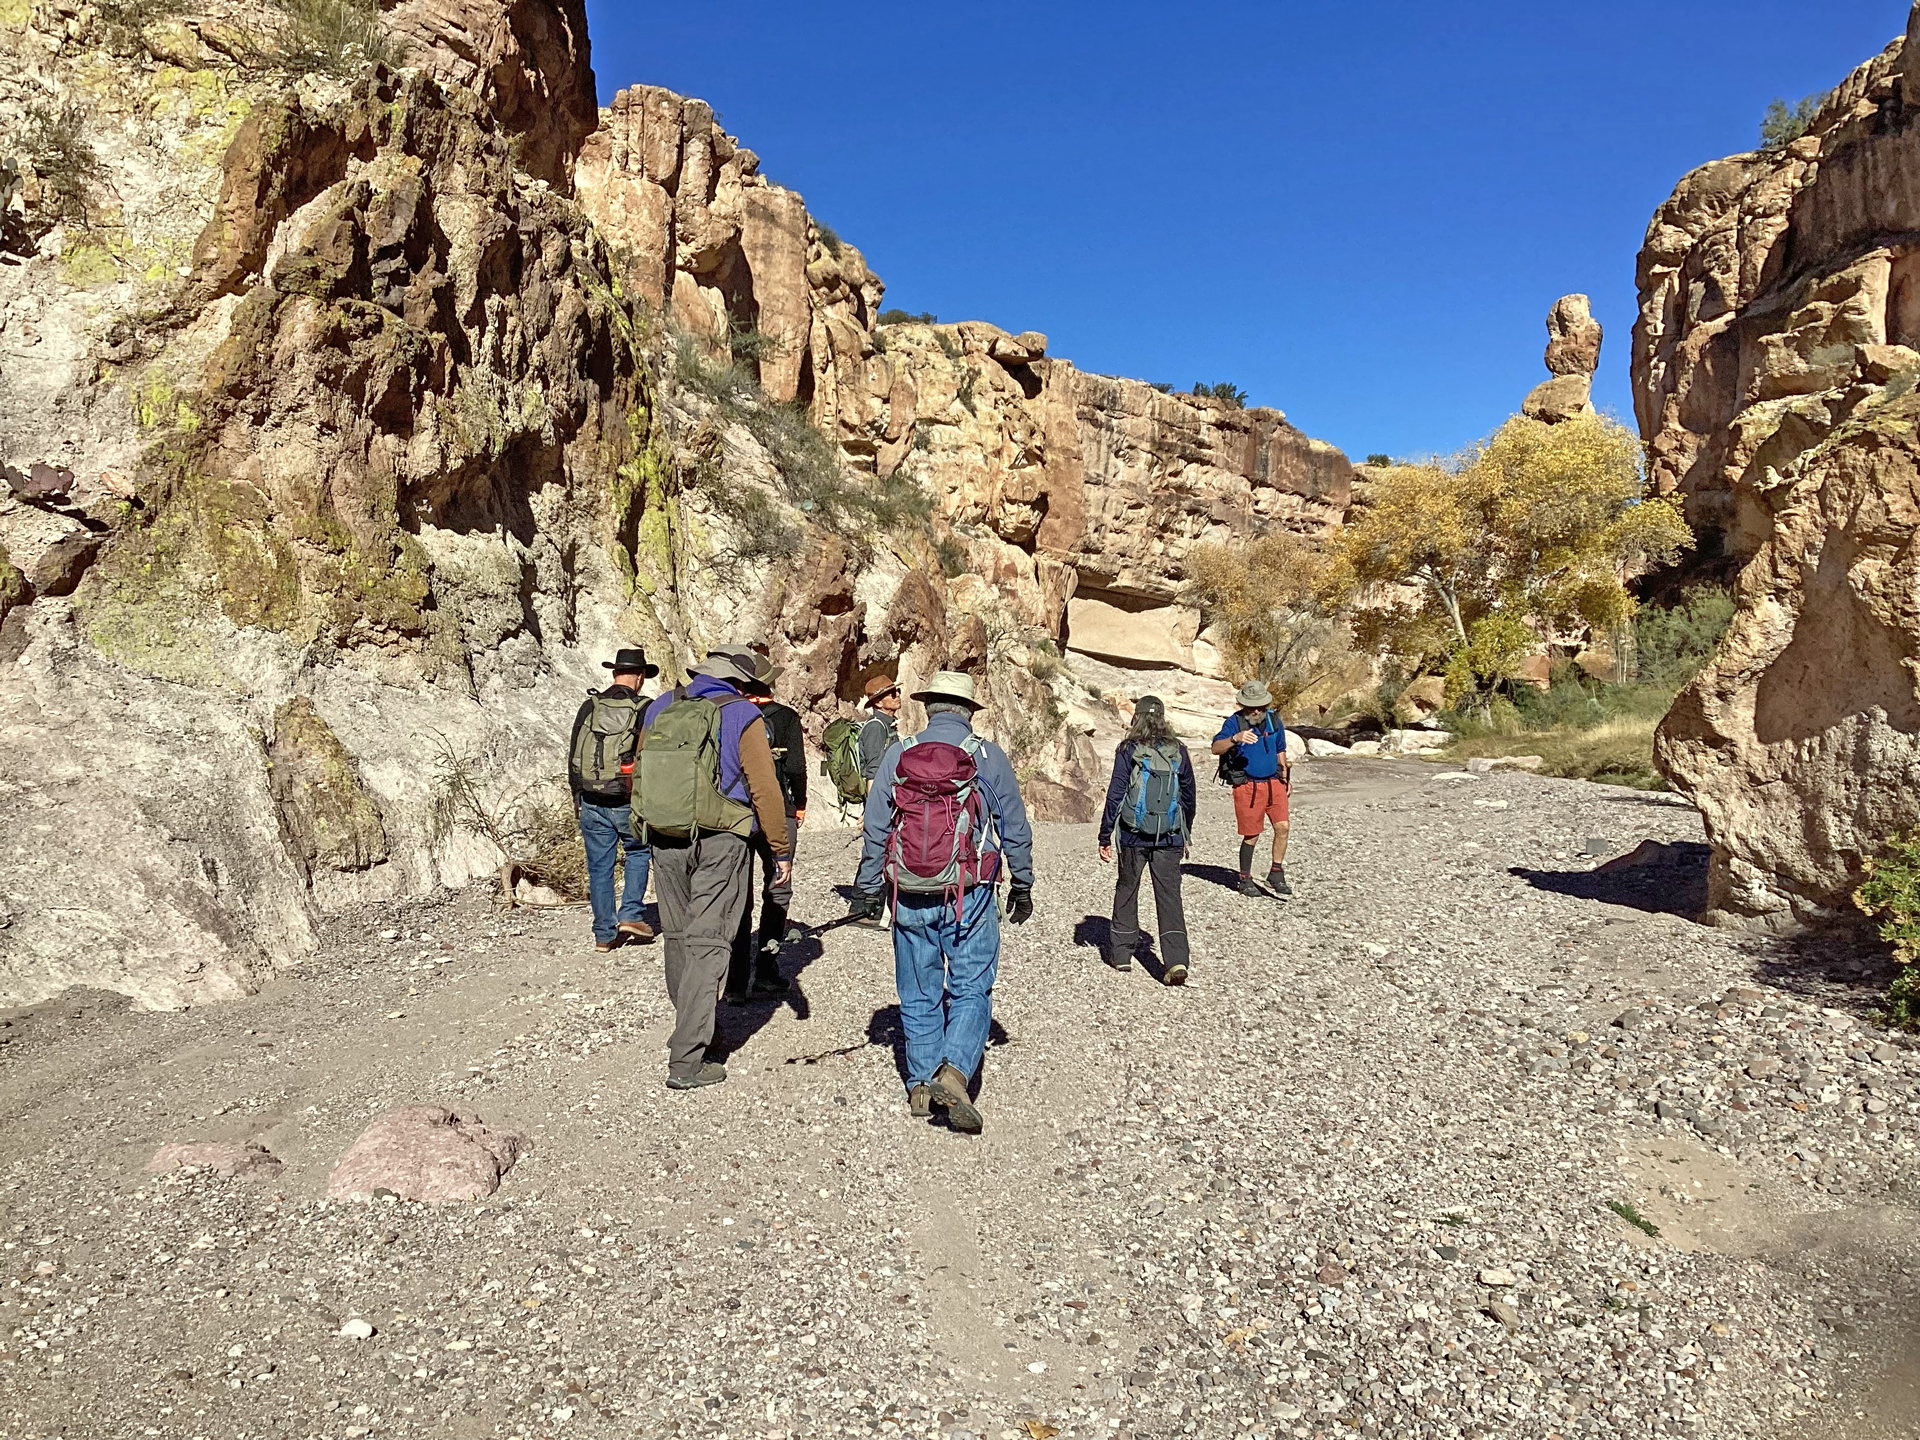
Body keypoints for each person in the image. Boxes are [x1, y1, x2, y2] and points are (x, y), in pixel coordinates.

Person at [848, 671, 1033, 1134]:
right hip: (970, 891)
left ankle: (920, 1084)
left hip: (908, 890)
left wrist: (867, 888)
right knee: (971, 984)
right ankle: (953, 1072)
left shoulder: (899, 753)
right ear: (969, 711)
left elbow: (876, 827)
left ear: (928, 707)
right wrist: (1023, 882)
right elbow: (1013, 823)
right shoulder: (987, 756)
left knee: (918, 989)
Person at [634, 651, 792, 1091]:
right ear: (740, 682)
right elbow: (764, 788)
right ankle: (687, 1059)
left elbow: (641, 771)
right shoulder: (742, 714)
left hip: (665, 835)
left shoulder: (662, 705)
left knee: (677, 937)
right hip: (721, 839)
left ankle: (695, 1027)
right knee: (708, 941)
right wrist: (780, 849)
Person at [724, 644, 806, 1003]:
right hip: (780, 811)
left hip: (738, 813)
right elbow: (796, 768)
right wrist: (799, 805)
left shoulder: (731, 714)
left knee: (738, 895)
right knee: (777, 889)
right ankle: (767, 971)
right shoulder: (785, 717)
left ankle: (735, 981)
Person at [1097, 695, 1198, 985]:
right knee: (1169, 895)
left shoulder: (1128, 749)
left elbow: (1116, 794)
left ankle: (1122, 955)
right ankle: (1176, 960)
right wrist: (1185, 831)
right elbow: (1189, 796)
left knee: (1127, 888)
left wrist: (1105, 834)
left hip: (1133, 834)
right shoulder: (1178, 750)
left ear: (1136, 717)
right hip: (1170, 836)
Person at [568, 647, 658, 953]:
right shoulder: (646, 708)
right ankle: (630, 914)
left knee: (599, 868)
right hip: (627, 799)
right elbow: (651, 757)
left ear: (615, 673)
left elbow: (573, 754)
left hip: (591, 798)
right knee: (638, 852)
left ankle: (603, 935)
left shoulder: (589, 706)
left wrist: (577, 796)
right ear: (640, 676)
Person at [1211, 679, 1293, 898]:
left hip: (1274, 782)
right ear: (1243, 705)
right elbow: (1216, 748)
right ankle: (1245, 879)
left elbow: (1280, 750)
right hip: (1248, 786)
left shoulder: (1274, 719)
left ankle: (1276, 872)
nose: (1256, 711)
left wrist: (1285, 778)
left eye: (1260, 706)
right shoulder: (1234, 723)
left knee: (1283, 827)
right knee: (1252, 834)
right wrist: (1235, 738)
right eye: (1251, 707)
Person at [857, 674, 901, 780]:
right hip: (881, 787)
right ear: (878, 703)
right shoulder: (875, 727)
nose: (898, 695)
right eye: (892, 694)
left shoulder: (888, 724)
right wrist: (872, 792)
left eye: (898, 691)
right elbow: (873, 770)